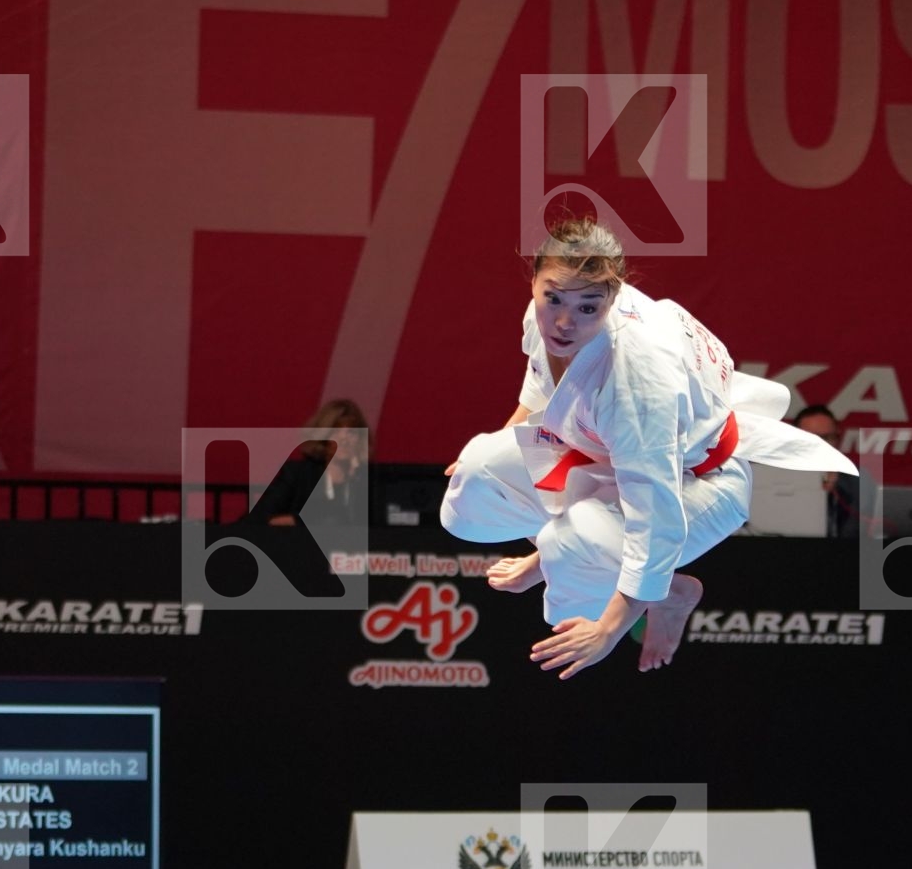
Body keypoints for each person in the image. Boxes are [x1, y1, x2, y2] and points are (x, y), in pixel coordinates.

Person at [441, 218, 856, 679]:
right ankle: (600, 565)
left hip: (702, 481)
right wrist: (505, 440)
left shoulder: (638, 383)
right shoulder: (550, 315)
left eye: (587, 307)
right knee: (475, 484)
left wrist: (609, 632)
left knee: (572, 559)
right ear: (536, 280)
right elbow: (541, 387)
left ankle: (668, 594)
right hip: (607, 455)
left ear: (613, 298)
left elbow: (654, 520)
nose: (563, 320)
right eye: (552, 296)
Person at [250, 398, 369, 528]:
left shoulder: (365, 479)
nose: (344, 440)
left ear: (360, 438)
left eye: (351, 433)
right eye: (335, 432)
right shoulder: (297, 475)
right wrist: (299, 521)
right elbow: (257, 520)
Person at [792, 404, 859, 539]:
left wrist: (839, 491)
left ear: (837, 438)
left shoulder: (857, 479)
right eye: (812, 439)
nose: (822, 445)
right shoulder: (769, 476)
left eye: (828, 437)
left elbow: (867, 529)